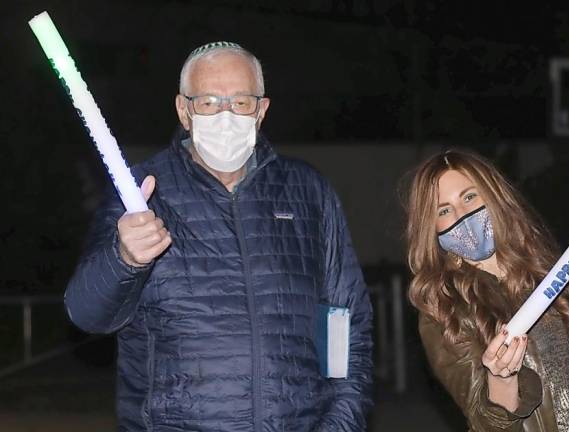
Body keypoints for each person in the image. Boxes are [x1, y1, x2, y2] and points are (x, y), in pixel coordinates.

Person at [65, 41, 373, 432]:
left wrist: (341, 423)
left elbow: (345, 323)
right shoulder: (141, 192)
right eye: (208, 102)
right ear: (184, 109)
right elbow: (86, 313)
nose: (225, 116)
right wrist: (123, 258)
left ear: (261, 110)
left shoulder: (308, 192)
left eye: (240, 102)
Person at [404, 149, 569, 431]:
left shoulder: (549, 273)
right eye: (443, 210)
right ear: (432, 228)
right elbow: (485, 421)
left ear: (494, 196)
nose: (462, 214)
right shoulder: (443, 309)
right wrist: (501, 379)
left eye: (469, 196)